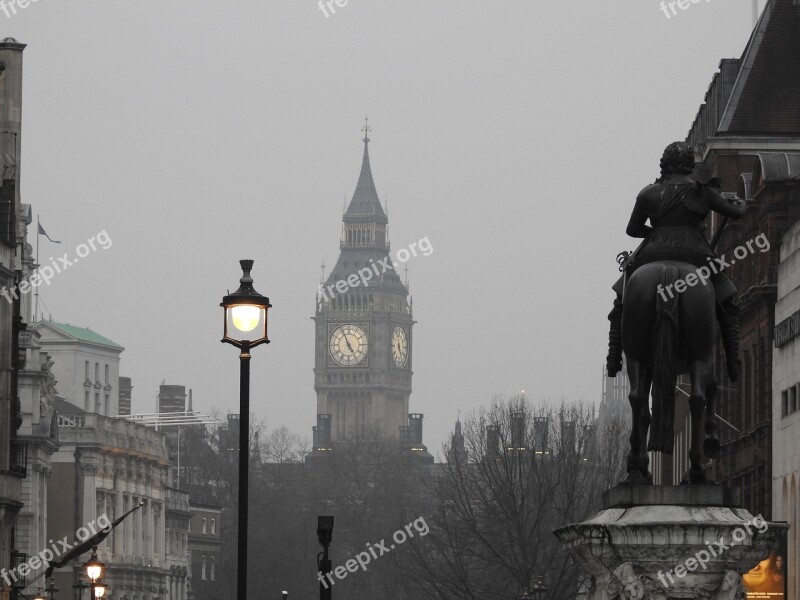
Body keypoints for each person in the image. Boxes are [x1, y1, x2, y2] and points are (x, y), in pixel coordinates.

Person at [606, 142, 747, 381]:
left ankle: (613, 360)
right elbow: (737, 213)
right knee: (729, 301)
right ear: (690, 165)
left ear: (664, 164)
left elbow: (632, 230)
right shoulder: (703, 192)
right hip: (697, 257)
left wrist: (656, 231)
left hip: (652, 253)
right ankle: (734, 363)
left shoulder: (648, 193)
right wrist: (740, 202)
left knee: (621, 303)